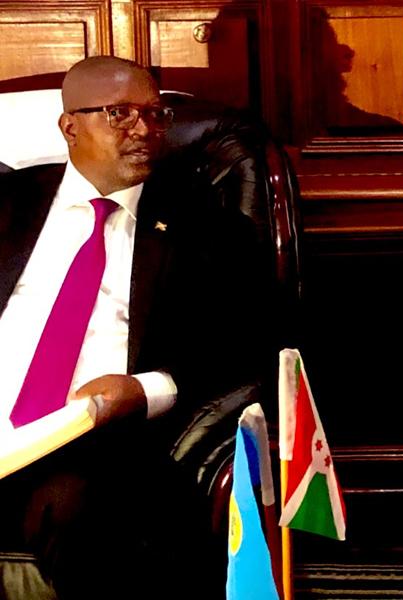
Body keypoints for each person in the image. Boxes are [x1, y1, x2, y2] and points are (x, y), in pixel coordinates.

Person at [0, 57, 270, 599]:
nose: (144, 130)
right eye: (119, 114)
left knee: (82, 510)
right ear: (70, 126)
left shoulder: (204, 225)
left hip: (89, 442)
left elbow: (249, 346)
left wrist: (144, 389)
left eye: (155, 114)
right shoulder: (8, 203)